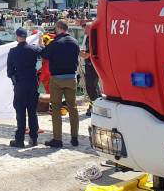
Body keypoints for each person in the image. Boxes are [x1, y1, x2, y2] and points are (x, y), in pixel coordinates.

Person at [40, 20, 80, 148]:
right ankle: (74, 138)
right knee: (72, 108)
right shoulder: (75, 42)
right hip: (71, 78)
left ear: (58, 28)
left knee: (56, 108)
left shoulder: (55, 43)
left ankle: (57, 139)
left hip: (57, 79)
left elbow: (44, 54)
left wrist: (41, 43)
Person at [6, 27, 41, 147]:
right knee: (33, 112)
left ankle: (19, 140)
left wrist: (15, 81)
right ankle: (34, 138)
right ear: (26, 37)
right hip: (32, 84)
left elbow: (9, 72)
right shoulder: (33, 49)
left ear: (17, 37)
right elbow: (43, 51)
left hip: (20, 85)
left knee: (20, 113)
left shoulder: (12, 51)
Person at [80, 34, 101, 116]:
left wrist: (76, 51)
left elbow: (86, 55)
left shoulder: (91, 39)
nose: (84, 30)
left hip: (91, 66)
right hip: (93, 66)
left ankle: (94, 108)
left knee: (91, 88)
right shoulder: (93, 38)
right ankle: (95, 106)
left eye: (85, 28)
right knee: (94, 88)